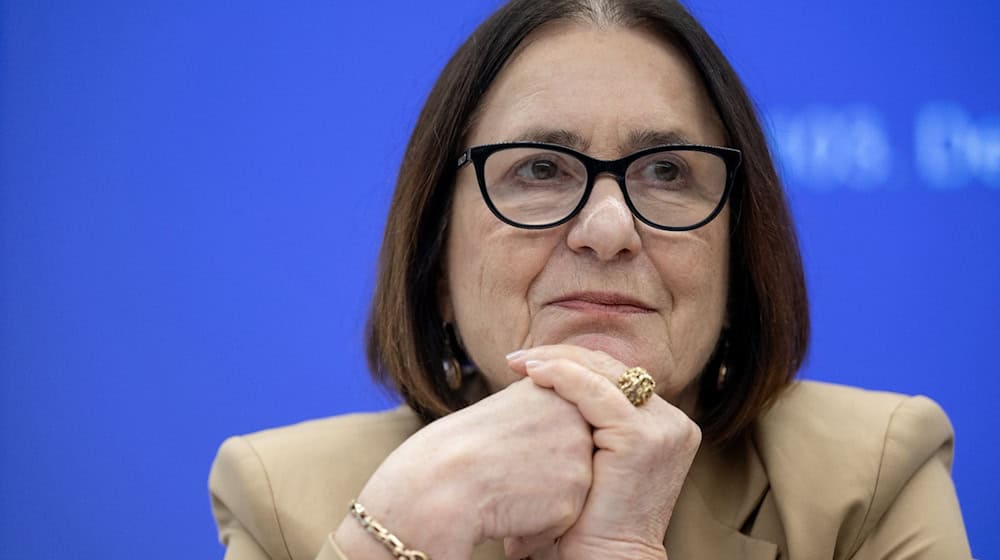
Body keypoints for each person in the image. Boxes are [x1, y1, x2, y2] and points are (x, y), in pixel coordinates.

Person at [208, 1, 972, 558]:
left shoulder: (868, 477)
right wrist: (395, 534)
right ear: (437, 260)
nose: (608, 231)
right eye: (540, 169)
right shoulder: (286, 497)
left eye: (668, 171)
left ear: (739, 261)